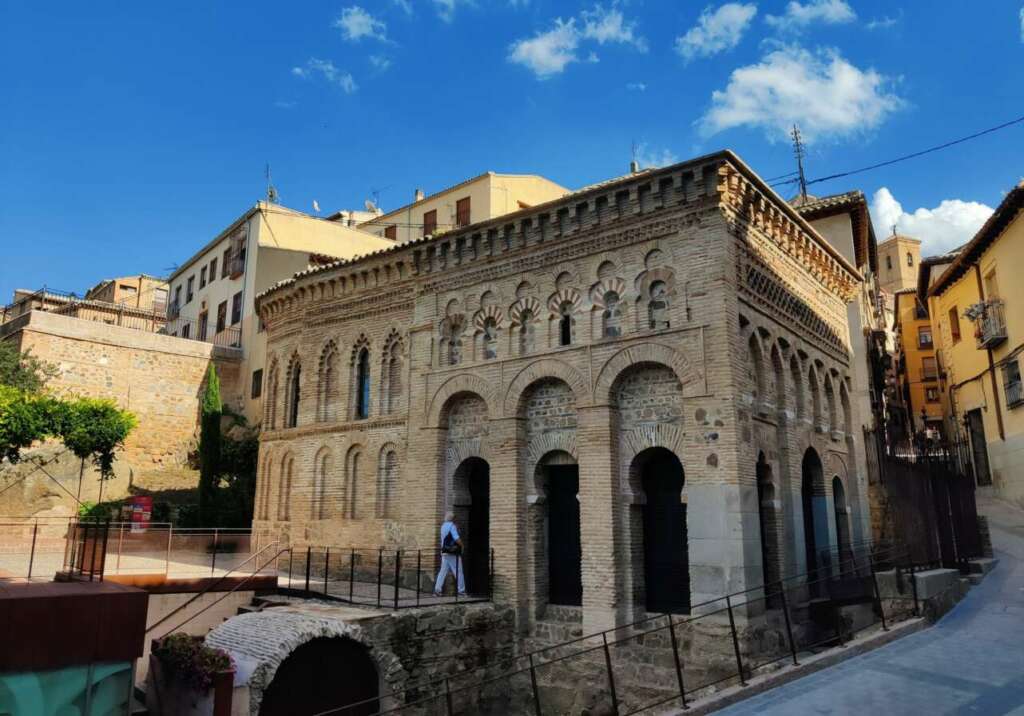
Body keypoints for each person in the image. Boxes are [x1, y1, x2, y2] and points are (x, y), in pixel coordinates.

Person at [433, 511, 466, 596]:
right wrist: (462, 545)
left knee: (442, 571)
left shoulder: (443, 526)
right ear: (453, 519)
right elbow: (456, 538)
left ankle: (437, 590)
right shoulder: (452, 526)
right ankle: (461, 591)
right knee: (459, 571)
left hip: (444, 552)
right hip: (453, 553)